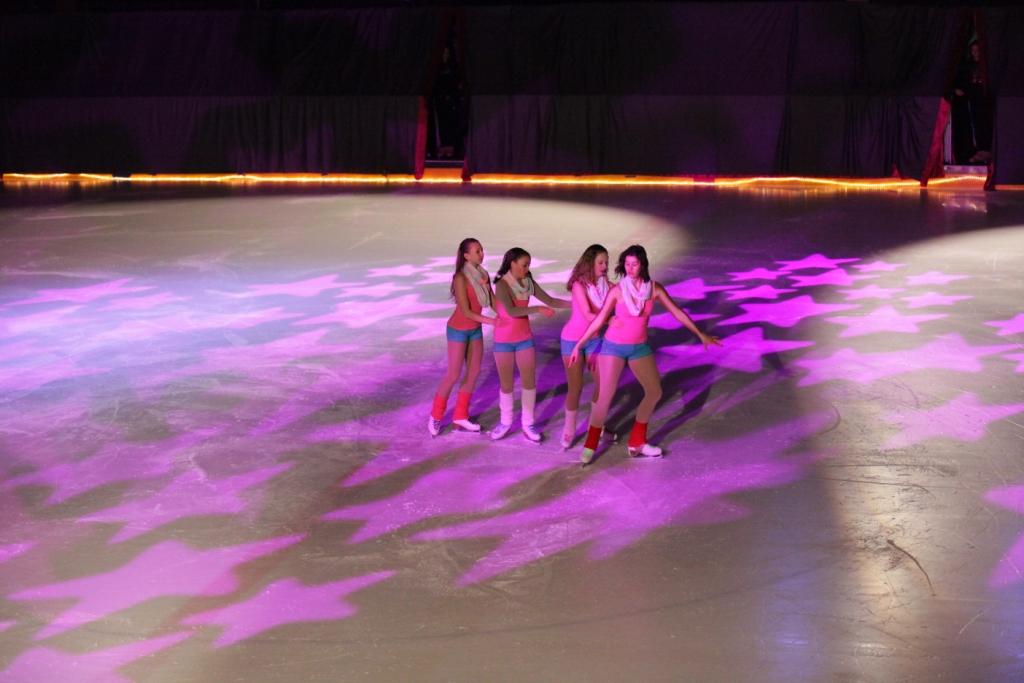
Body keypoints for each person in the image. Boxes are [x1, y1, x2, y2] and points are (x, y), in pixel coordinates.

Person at [570, 245, 721, 463]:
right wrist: (579, 344)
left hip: (640, 348)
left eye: (634, 264)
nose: (630, 268)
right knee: (605, 395)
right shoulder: (617, 290)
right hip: (613, 347)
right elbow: (599, 320)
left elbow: (677, 312)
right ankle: (590, 444)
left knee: (654, 392)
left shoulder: (654, 289)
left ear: (643, 265)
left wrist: (700, 333)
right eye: (627, 264)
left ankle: (637, 442)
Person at [491, 247, 572, 442]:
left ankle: (528, 424)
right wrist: (537, 308)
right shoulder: (502, 285)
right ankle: (505, 422)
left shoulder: (528, 282)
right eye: (524, 265)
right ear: (513, 264)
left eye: (528, 265)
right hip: (503, 341)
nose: (527, 269)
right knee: (507, 384)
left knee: (529, 382)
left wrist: (577, 304)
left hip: (524, 339)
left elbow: (550, 300)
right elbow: (511, 311)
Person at [429, 238, 504, 437]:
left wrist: (508, 315)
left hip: (475, 329)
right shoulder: (461, 278)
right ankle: (436, 415)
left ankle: (461, 415)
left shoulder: (483, 275)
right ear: (466, 255)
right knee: (453, 375)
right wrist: (492, 322)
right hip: (458, 330)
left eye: (482, 250)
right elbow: (466, 311)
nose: (482, 254)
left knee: (473, 372)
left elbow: (493, 302)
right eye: (477, 251)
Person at [559, 244, 611, 449]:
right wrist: (610, 321)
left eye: (606, 262)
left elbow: (624, 292)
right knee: (576, 387)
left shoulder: (606, 284)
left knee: (603, 384)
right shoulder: (579, 285)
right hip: (572, 341)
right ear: (590, 263)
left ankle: (595, 426)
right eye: (600, 262)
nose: (605, 266)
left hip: (594, 340)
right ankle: (569, 429)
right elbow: (589, 315)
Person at [952, 41, 992, 165]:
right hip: (972, 98)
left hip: (985, 98)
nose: (975, 53)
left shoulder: (987, 64)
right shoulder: (968, 65)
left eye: (978, 50)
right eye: (973, 50)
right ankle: (980, 150)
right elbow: (961, 80)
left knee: (986, 123)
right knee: (975, 123)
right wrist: (956, 89)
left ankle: (987, 150)